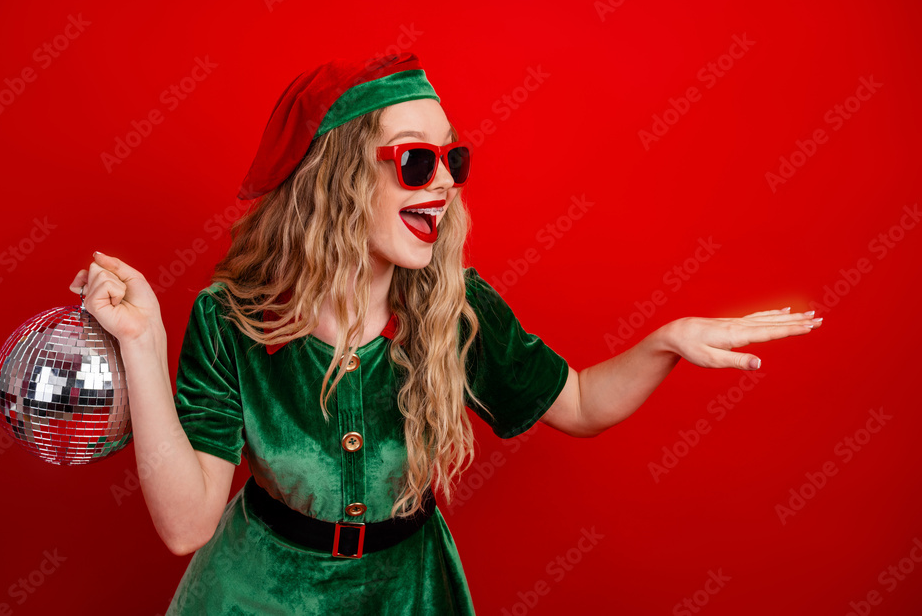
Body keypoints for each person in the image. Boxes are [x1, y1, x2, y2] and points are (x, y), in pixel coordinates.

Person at [68, 52, 823, 614]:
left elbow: (584, 402)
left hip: (411, 594)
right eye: (416, 161)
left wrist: (668, 340)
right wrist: (143, 343)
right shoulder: (230, 317)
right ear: (337, 179)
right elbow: (185, 525)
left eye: (451, 159)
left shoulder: (454, 308)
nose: (445, 183)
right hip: (256, 595)